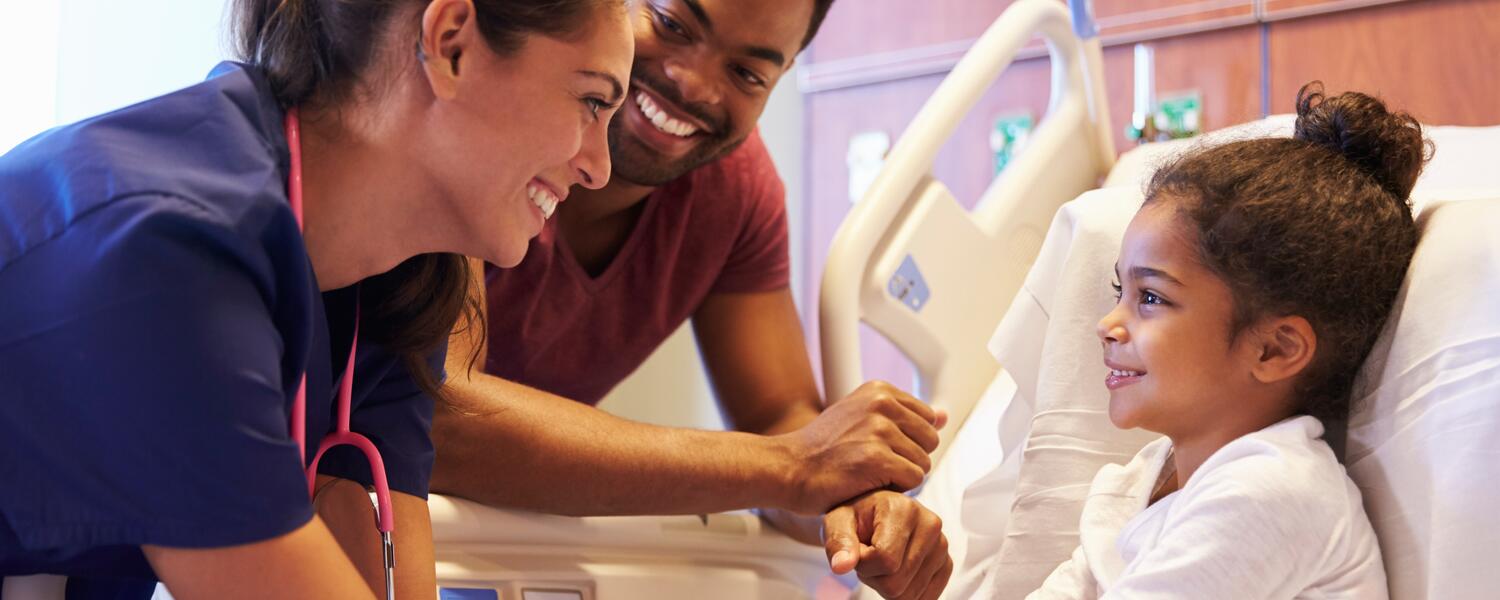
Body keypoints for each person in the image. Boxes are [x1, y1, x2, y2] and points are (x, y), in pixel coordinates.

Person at [0, 0, 631, 598]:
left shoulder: (390, 279)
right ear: (452, 44)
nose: (600, 167)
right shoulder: (166, 251)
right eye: (592, 100)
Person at [428, 0, 954, 597]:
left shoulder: (734, 194)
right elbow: (444, 416)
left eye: (748, 74)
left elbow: (782, 421)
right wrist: (792, 468)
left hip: (481, 543)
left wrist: (854, 504)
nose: (693, 84)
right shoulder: (477, 107)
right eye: (672, 24)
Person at [1026, 84, 1424, 599]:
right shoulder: (1149, 476)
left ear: (1273, 350)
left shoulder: (1273, 493)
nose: (1108, 323)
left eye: (1151, 298)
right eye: (1119, 289)